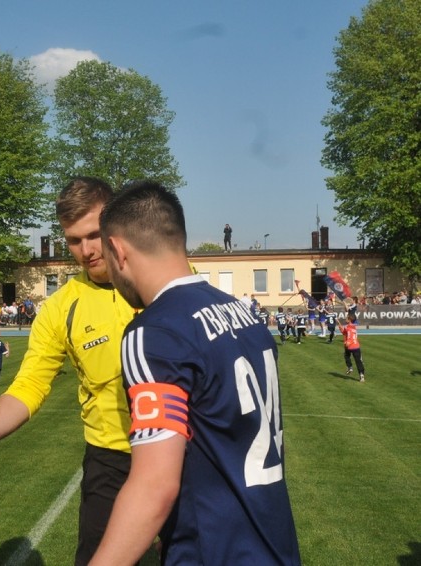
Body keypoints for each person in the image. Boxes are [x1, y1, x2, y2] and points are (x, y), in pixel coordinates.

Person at [90, 180, 300, 565]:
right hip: (274, 544)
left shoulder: (154, 332)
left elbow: (154, 486)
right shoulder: (244, 314)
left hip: (216, 552)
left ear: (118, 250)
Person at [0, 177, 139, 565]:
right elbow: (29, 385)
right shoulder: (61, 308)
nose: (87, 250)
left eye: (94, 234)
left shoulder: (163, 279)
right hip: (109, 458)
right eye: (74, 240)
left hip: (185, 448)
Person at [338, 313, 366, 382]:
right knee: (358, 361)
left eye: (346, 318)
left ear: (349, 319)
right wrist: (341, 328)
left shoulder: (348, 327)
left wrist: (347, 343)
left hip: (350, 346)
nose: (345, 319)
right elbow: (345, 333)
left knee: (347, 356)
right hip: (356, 346)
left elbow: (349, 336)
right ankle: (361, 375)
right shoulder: (353, 327)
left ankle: (350, 367)